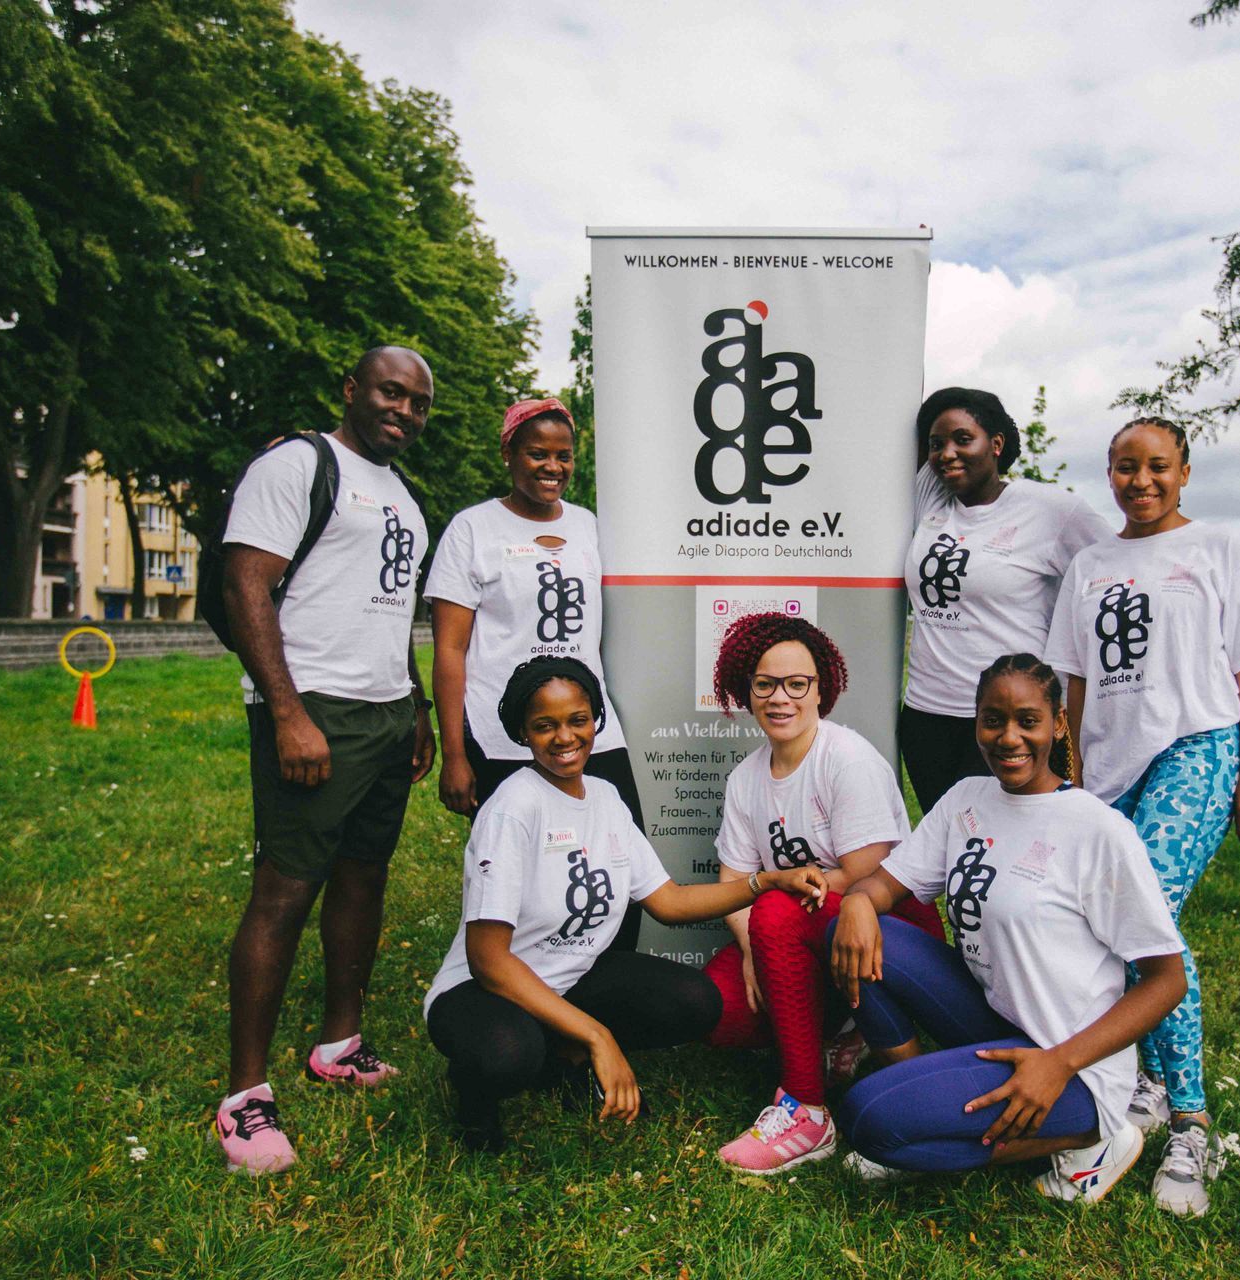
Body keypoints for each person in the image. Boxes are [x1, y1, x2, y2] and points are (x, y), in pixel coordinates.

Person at [424, 656, 830, 1154]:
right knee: (508, 1055)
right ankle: (475, 1097)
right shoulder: (512, 808)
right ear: (523, 734)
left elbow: (670, 901)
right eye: (544, 726)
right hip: (485, 990)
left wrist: (766, 881)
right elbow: (488, 960)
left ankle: (564, 1059)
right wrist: (600, 1036)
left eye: (577, 720)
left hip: (568, 978)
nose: (565, 737)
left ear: (595, 719)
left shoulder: (605, 797)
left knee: (695, 1001)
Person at [828, 655, 1187, 1202]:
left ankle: (1092, 1139)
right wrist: (856, 902)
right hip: (996, 1022)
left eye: (1028, 720)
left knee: (868, 1119)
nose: (1009, 737)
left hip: (1073, 1066)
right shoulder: (966, 800)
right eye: (993, 720)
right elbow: (884, 886)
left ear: (1058, 724)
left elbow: (1167, 981)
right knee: (863, 936)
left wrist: (1059, 1062)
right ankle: (937, 1103)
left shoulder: (1098, 830)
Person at [1044, 415, 1240, 1216]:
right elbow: (1073, 681)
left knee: (1149, 922)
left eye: (1156, 467)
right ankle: (1145, 1081)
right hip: (1109, 767)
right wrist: (1068, 774)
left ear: (1184, 471)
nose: (1139, 481)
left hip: (1197, 746)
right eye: (1123, 467)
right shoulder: (1090, 565)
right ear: (1107, 474)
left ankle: (1189, 1122)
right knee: (1117, 928)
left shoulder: (1219, 551)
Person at [214, 346, 437, 1176]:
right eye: (390, 392)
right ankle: (244, 1097)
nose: (404, 411)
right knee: (285, 887)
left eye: (418, 403)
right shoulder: (298, 465)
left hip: (382, 714)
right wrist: (286, 712)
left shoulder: (405, 497)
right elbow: (246, 587)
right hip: (315, 712)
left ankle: (337, 1043)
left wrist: (412, 703)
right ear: (351, 390)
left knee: (362, 875)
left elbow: (389, 612)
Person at [699, 613, 946, 1174]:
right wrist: (750, 953)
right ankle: (842, 1030)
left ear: (820, 689)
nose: (780, 698)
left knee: (778, 907)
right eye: (765, 684)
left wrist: (777, 900)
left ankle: (806, 1108)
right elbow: (731, 884)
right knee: (719, 1012)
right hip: (797, 934)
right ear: (746, 689)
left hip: (891, 933)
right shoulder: (746, 778)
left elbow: (869, 870)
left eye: (797, 684)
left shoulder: (845, 757)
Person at [427, 398, 639, 825]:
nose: (553, 467)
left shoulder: (587, 526)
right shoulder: (472, 529)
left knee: (617, 843)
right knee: (518, 860)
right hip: (503, 734)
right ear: (508, 454)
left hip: (587, 727)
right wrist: (454, 755)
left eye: (564, 456)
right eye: (538, 454)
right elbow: (449, 650)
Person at [901, 388, 1112, 813]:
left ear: (996, 444)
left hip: (1012, 719)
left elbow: (1114, 572)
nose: (947, 454)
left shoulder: (1052, 510)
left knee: (1008, 850)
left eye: (964, 439)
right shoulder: (932, 499)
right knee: (953, 853)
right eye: (937, 445)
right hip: (927, 717)